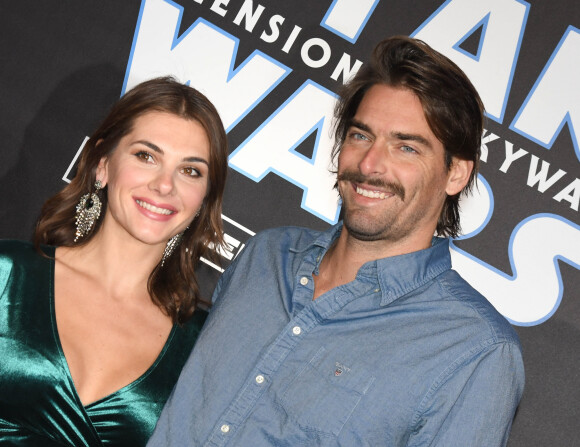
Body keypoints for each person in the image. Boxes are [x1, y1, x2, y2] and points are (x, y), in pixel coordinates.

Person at [148, 36, 525, 446]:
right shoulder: (267, 255)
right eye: (361, 136)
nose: (369, 164)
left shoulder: (475, 350)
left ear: (456, 174)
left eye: (406, 147)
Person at [0, 76, 228, 446]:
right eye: (146, 156)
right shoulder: (7, 273)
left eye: (190, 171)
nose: (164, 185)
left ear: (204, 198)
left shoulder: (200, 347)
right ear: (103, 165)